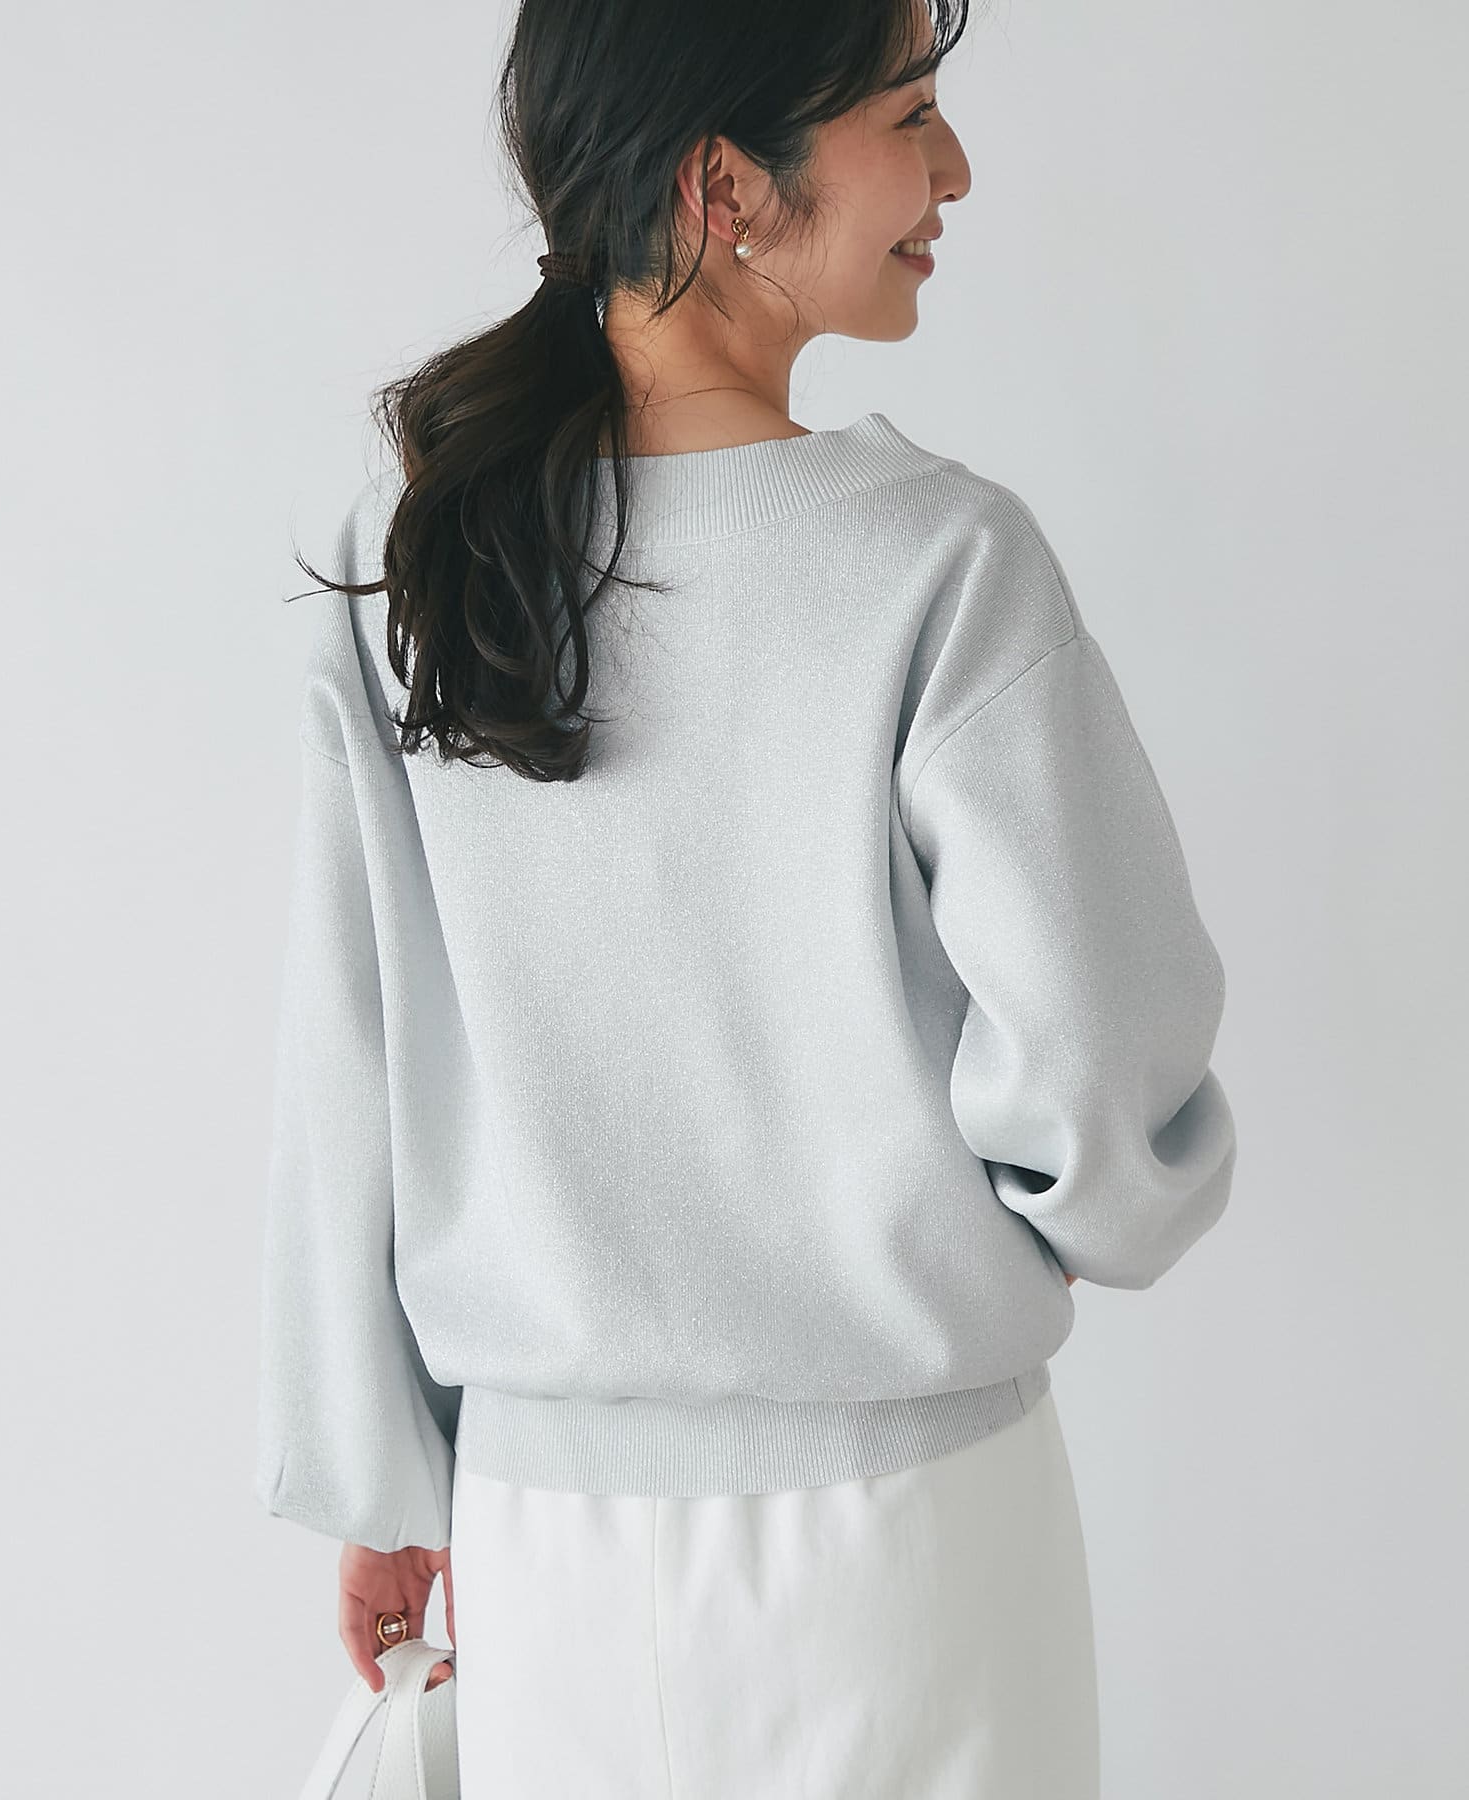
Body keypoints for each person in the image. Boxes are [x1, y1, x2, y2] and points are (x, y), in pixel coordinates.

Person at [253, 0, 1238, 1793]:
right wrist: (1035, 1226)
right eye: (911, 115)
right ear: (724, 186)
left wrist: (382, 1483)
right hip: (910, 1538)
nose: (955, 170)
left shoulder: (411, 570)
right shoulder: (940, 565)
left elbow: (348, 1075)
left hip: (540, 1549)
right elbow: (1107, 1084)